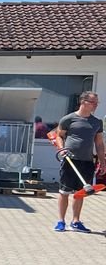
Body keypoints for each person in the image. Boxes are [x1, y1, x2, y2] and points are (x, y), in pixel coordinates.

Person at [53, 91, 105, 232]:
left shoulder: (97, 122)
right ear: (83, 102)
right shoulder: (68, 119)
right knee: (64, 192)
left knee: (80, 193)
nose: (96, 105)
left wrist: (103, 162)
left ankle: (75, 221)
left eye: (96, 103)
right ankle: (61, 221)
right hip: (70, 161)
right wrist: (61, 149)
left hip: (87, 162)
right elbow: (59, 136)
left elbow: (99, 144)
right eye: (93, 102)